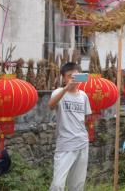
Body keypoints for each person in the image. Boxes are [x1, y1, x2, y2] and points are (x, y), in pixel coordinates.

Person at [48, 62, 92, 191]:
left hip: (82, 142)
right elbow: (50, 105)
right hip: (65, 144)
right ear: (63, 77)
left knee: (77, 184)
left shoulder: (83, 96)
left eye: (77, 76)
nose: (73, 79)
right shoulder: (59, 92)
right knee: (57, 185)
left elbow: (86, 118)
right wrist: (66, 88)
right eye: (69, 76)